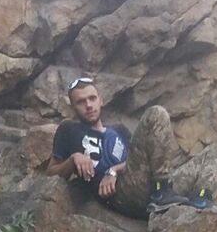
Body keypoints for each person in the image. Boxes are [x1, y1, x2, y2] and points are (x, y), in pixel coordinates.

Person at [47, 77, 191, 219]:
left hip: (149, 184)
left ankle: (189, 201)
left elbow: (136, 161)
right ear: (73, 107)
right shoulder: (69, 129)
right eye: (81, 102)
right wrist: (73, 159)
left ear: (101, 100)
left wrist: (113, 170)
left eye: (92, 98)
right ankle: (162, 192)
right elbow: (51, 173)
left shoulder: (119, 130)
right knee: (156, 113)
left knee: (205, 160)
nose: (89, 105)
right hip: (121, 192)